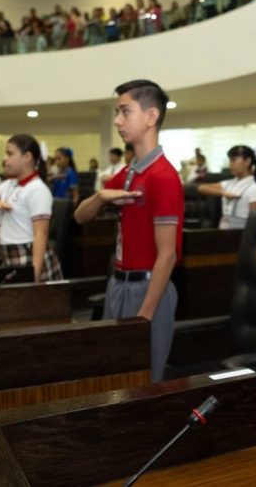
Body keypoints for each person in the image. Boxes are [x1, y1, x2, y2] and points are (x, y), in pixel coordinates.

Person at [74, 79, 183, 382]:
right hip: (119, 283)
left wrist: (145, 315)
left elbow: (168, 254)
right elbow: (80, 217)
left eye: (125, 112)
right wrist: (99, 197)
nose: (117, 121)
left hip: (148, 288)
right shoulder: (128, 172)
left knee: (144, 380)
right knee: (115, 376)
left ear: (151, 117)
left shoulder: (163, 176)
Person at [0, 134, 63, 282]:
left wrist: (34, 275)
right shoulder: (8, 184)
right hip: (8, 254)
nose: (5, 159)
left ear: (27, 157)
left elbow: (40, 235)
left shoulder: (37, 189)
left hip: (29, 256)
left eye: (10, 154)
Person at [198, 145, 256, 229]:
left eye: (233, 161)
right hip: (223, 230)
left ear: (247, 161)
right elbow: (201, 188)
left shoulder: (254, 188)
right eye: (230, 161)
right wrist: (223, 193)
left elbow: (254, 222)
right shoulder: (229, 184)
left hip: (240, 233)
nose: (230, 165)